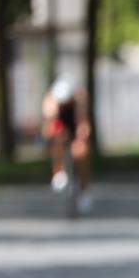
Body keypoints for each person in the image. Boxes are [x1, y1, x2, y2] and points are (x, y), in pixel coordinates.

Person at [42, 74, 93, 213]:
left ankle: (84, 191)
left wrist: (81, 138)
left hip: (74, 122)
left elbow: (83, 124)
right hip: (60, 124)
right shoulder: (51, 101)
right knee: (56, 140)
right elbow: (48, 128)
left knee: (81, 153)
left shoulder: (80, 98)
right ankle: (58, 171)